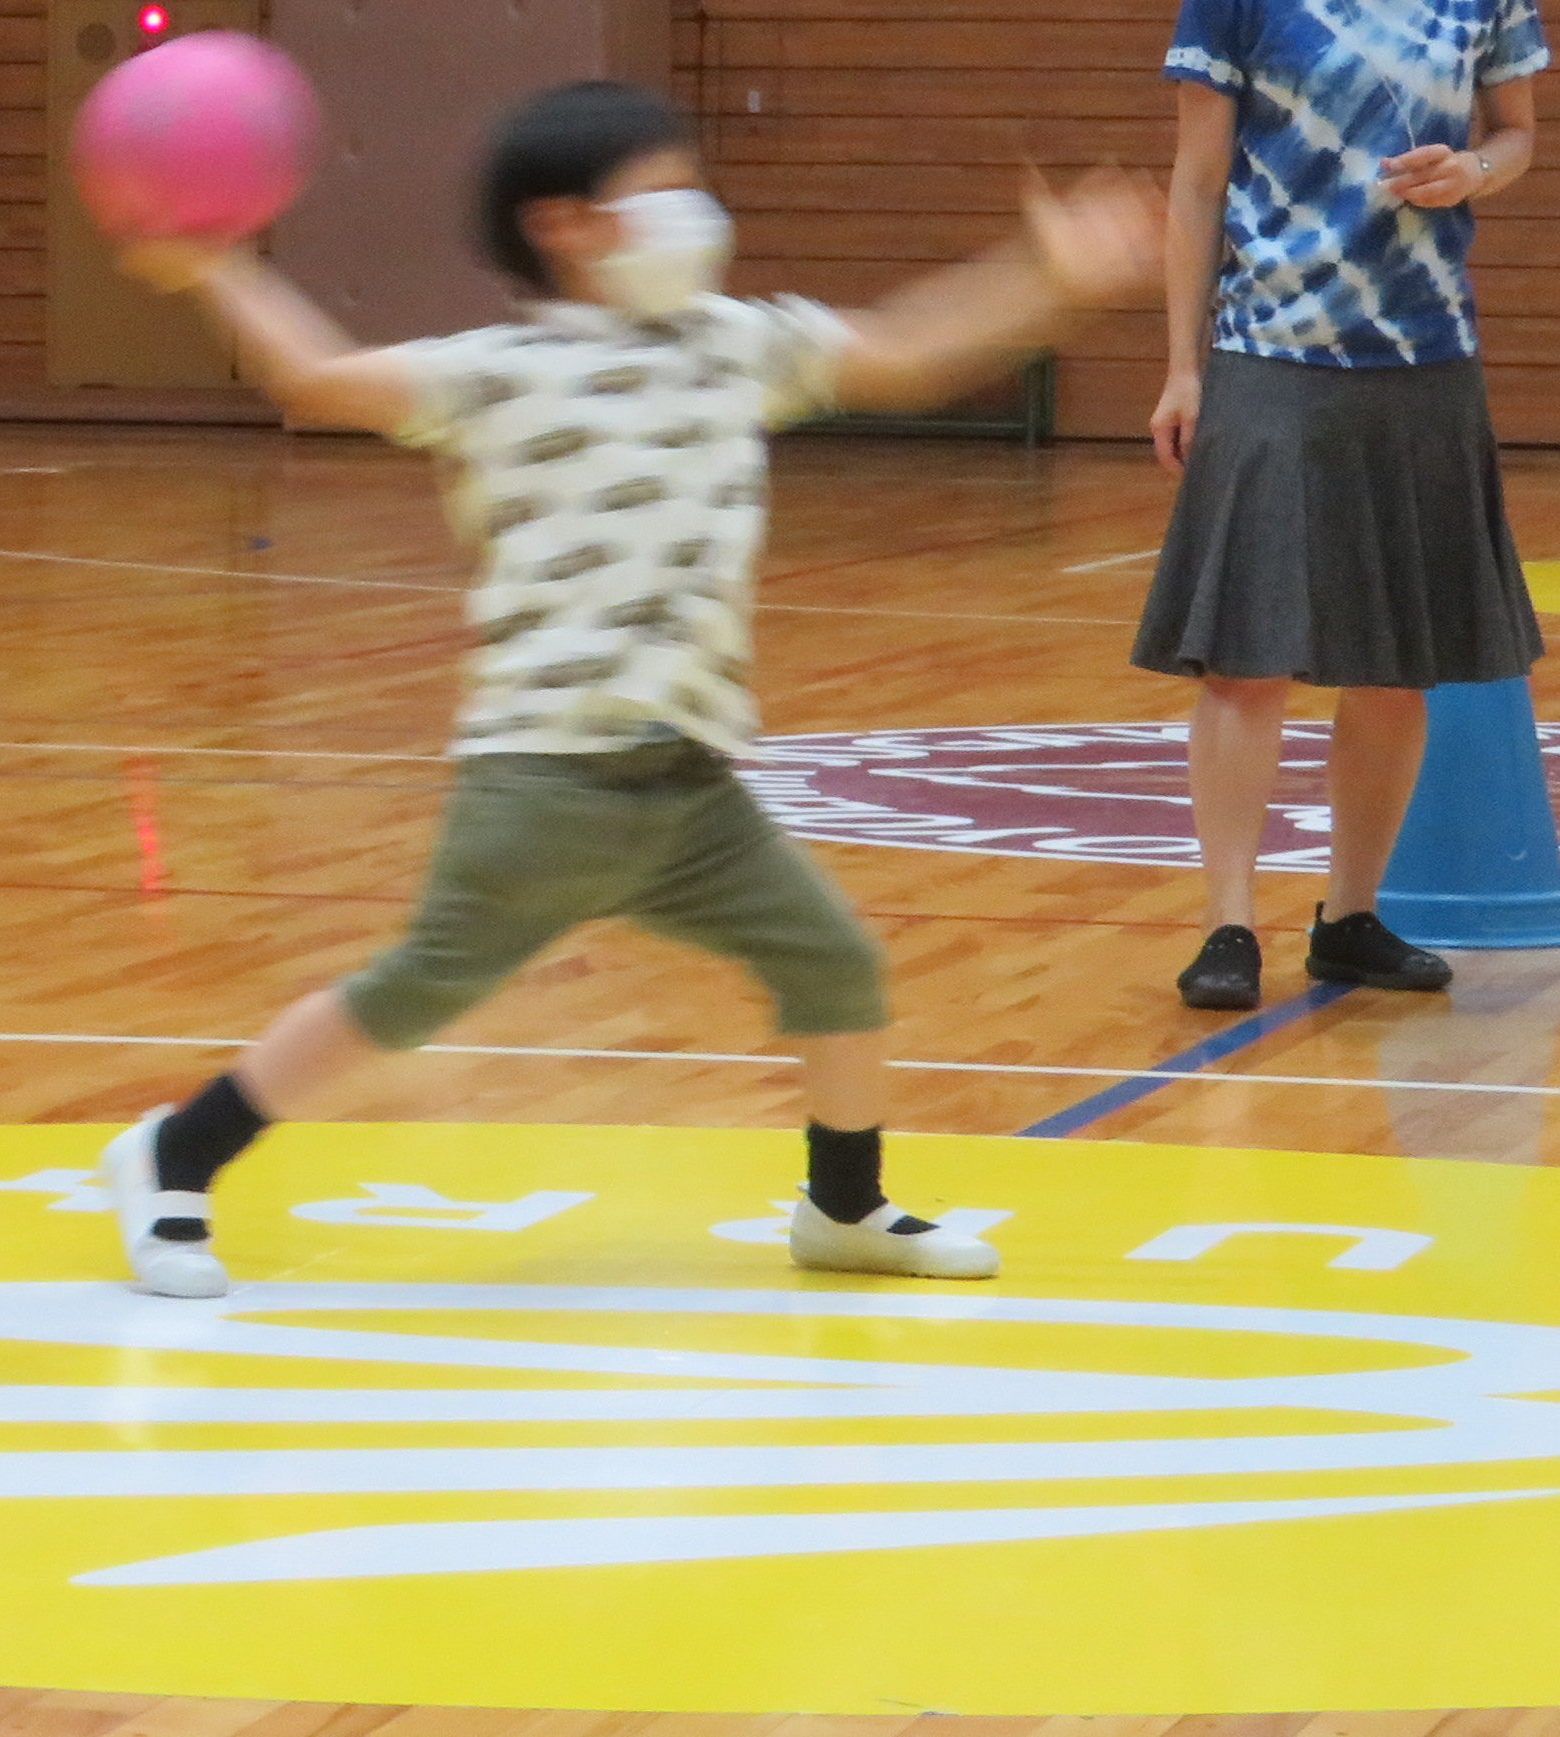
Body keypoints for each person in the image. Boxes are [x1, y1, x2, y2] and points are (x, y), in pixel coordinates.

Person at [94, 81, 1157, 1300]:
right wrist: (216, 264)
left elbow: (910, 349)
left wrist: (1046, 275)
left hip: (691, 784)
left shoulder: (736, 343)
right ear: (563, 223)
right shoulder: (499, 371)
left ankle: (844, 1205)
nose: (694, 215)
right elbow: (319, 377)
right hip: (545, 776)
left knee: (835, 964)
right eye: (661, 194)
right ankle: (174, 1152)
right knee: (414, 989)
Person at [1137, 0, 1550, 1013]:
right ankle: (1227, 925)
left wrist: (1474, 170)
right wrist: (1186, 365)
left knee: (1393, 666)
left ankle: (1352, 915)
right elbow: (1196, 183)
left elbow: (1517, 132)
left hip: (1423, 354)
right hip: (1270, 349)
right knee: (1244, 661)